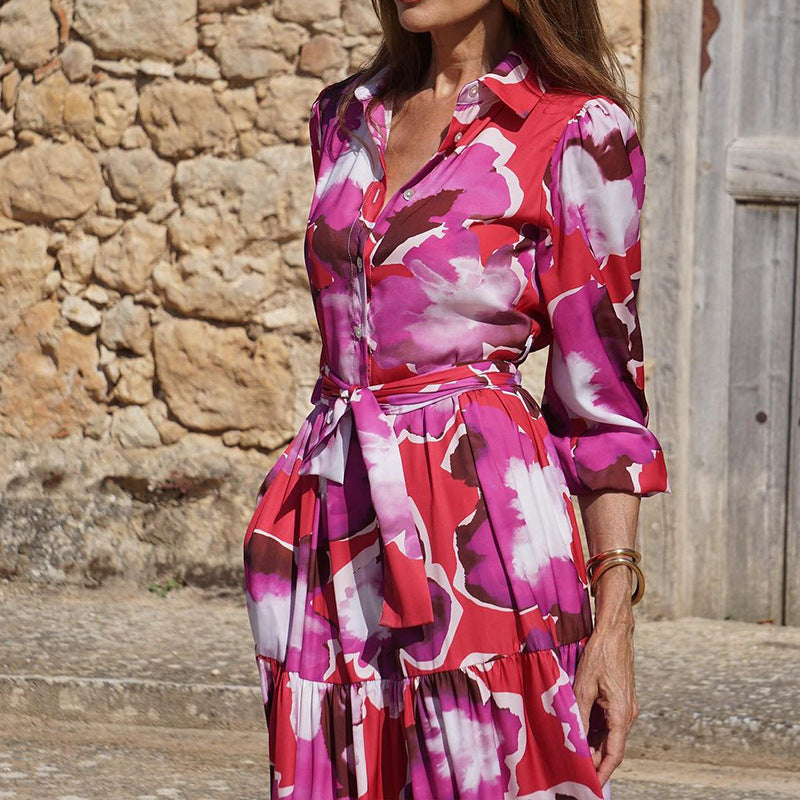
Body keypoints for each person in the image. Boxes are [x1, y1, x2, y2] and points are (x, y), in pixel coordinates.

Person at [241, 0, 670, 797]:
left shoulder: (578, 129)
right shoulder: (344, 116)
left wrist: (615, 617)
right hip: (331, 520)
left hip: (483, 530)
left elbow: (603, 396)